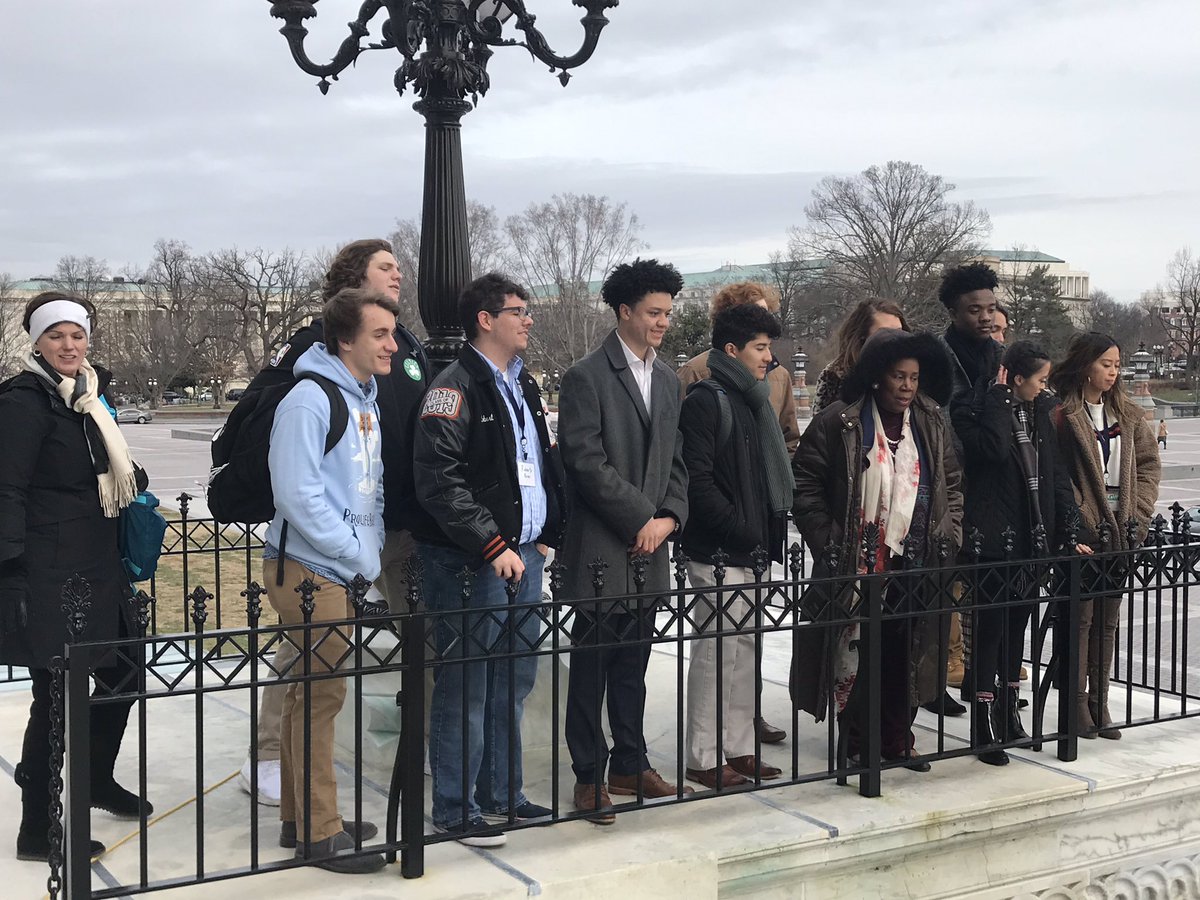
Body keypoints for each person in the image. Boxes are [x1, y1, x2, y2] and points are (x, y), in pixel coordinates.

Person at [239, 238, 429, 805]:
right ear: (355, 278)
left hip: (391, 523)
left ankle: (420, 746)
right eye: (386, 267)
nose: (398, 274)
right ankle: (273, 759)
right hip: (327, 544)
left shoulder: (405, 344)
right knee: (306, 665)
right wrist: (351, 544)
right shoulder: (316, 359)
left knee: (415, 641)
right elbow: (298, 484)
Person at [412, 273, 565, 846]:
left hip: (523, 557)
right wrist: (491, 543)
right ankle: (455, 808)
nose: (528, 320)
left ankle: (503, 795)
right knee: (466, 686)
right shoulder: (453, 387)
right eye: (518, 311)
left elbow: (537, 465)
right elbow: (438, 479)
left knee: (514, 679)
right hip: (472, 562)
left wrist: (546, 532)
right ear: (485, 318)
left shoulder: (521, 385)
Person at [0, 291, 152, 862]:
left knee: (126, 671)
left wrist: (126, 470)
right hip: (48, 570)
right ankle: (37, 827)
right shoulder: (22, 403)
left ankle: (92, 780)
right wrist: (11, 575)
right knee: (55, 696)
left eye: (77, 335)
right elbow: (7, 489)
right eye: (56, 336)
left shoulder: (88, 398)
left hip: (97, 564)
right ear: (36, 342)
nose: (69, 345)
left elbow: (98, 465)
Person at [262, 286, 396, 874]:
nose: (393, 344)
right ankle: (321, 832)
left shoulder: (364, 396)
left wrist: (369, 548)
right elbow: (296, 494)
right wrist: (355, 553)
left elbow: (365, 487)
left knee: (305, 695)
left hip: (338, 566)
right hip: (311, 572)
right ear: (346, 340)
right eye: (380, 334)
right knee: (323, 697)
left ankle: (301, 817)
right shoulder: (309, 399)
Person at [791, 329, 963, 772]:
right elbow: (805, 483)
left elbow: (951, 483)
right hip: (858, 560)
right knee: (857, 653)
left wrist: (950, 531)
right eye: (898, 377)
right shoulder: (840, 420)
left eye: (914, 378)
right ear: (875, 378)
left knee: (906, 651)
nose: (907, 387)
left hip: (917, 557)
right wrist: (830, 543)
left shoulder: (930, 418)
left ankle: (898, 738)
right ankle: (856, 743)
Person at [559, 258, 691, 824]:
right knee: (592, 668)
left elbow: (679, 464)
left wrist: (668, 519)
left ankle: (630, 762)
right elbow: (584, 462)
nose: (663, 322)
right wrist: (641, 516)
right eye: (654, 313)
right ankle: (589, 776)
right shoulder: (585, 376)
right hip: (601, 550)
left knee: (635, 664)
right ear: (625, 312)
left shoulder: (668, 378)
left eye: (667, 312)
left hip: (650, 547)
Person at [952, 341, 1089, 765]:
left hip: (1033, 540)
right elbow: (990, 451)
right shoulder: (970, 409)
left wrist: (1072, 528)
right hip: (993, 541)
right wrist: (998, 399)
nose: (1045, 387)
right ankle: (982, 723)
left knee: (1017, 631)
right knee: (990, 632)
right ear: (1013, 378)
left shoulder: (1040, 413)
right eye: (1040, 380)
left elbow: (1056, 475)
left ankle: (1008, 711)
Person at [677, 280, 799, 746]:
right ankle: (706, 756)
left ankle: (738, 747)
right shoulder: (708, 398)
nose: (769, 357)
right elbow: (698, 481)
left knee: (745, 649)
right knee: (718, 653)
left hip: (751, 547)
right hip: (720, 550)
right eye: (761, 347)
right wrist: (742, 527)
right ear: (732, 349)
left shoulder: (752, 400)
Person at [1049, 332, 1161, 740]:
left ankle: (1100, 700)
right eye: (1106, 364)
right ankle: (1075, 704)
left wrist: (1140, 511)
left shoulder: (1128, 413)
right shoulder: (1062, 414)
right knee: (1080, 619)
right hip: (1085, 530)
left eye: (1117, 365)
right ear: (1085, 366)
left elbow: (1148, 465)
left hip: (1123, 527)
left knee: (1107, 622)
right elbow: (1057, 475)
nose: (1114, 372)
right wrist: (1079, 516)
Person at [812, 298, 908, 416]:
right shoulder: (836, 375)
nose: (895, 338)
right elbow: (821, 428)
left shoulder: (918, 376)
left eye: (899, 332)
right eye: (884, 332)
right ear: (863, 336)